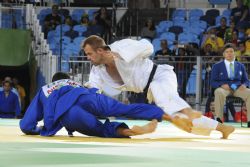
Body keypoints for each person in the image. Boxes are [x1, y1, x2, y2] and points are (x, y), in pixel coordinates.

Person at [82, 35, 235, 139]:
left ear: (100, 50)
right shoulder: (97, 71)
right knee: (179, 118)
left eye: (89, 54)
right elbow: (93, 88)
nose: (88, 58)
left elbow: (148, 46)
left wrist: (122, 53)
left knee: (165, 100)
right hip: (147, 90)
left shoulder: (120, 46)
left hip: (160, 76)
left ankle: (186, 110)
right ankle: (222, 128)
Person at [20, 72, 193, 138]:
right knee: (125, 109)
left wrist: (43, 128)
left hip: (69, 112)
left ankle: (128, 131)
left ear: (53, 81)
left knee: (100, 130)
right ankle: (167, 116)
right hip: (89, 96)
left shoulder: (46, 89)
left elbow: (26, 124)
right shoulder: (75, 84)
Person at [211, 43, 250, 127]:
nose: (229, 53)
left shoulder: (241, 66)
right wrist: (221, 85)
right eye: (227, 52)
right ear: (223, 54)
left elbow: (246, 80)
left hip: (238, 88)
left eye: (231, 51)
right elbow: (213, 82)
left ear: (234, 53)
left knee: (249, 92)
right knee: (218, 91)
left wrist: (245, 85)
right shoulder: (217, 66)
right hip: (224, 89)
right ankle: (219, 120)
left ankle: (249, 121)